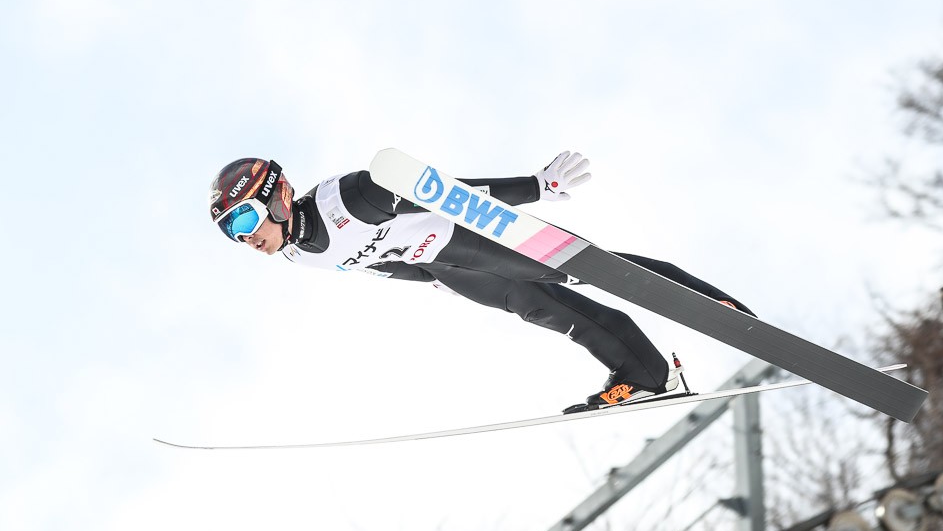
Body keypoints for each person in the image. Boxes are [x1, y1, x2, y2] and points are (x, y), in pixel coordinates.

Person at [208, 152, 754, 413]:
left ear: (279, 196)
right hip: (443, 266)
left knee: (589, 269)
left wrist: (537, 187)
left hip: (469, 234)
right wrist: (430, 279)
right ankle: (646, 374)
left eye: (246, 219)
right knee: (546, 309)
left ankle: (711, 302)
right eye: (232, 232)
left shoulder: (352, 198)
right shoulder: (294, 252)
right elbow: (374, 262)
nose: (246, 238)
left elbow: (450, 193)